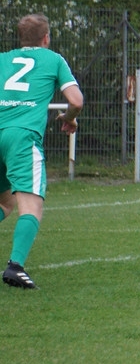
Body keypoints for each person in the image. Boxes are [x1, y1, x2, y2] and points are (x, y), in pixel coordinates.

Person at [0, 14, 84, 289]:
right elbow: (76, 101)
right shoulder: (54, 60)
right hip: (22, 138)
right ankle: (15, 267)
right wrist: (70, 118)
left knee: (4, 203)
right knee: (31, 206)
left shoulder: (3, 59)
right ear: (46, 38)